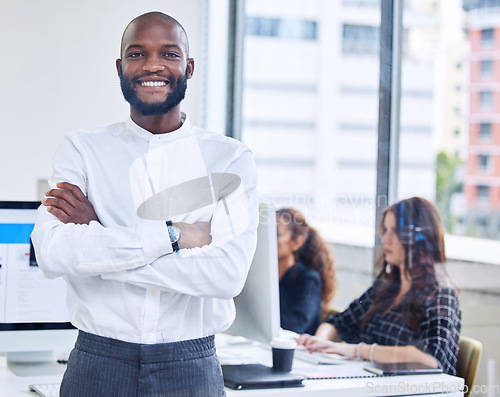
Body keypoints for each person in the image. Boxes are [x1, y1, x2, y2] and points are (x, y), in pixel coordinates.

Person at [31, 11, 258, 397]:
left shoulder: (230, 160)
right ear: (121, 67)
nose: (153, 65)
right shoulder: (82, 149)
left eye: (169, 54)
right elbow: (52, 252)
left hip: (191, 366)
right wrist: (172, 236)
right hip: (97, 363)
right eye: (138, 54)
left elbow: (226, 276)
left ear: (188, 67)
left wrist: (100, 242)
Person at [297, 197, 461, 375]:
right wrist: (319, 342)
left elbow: (431, 358)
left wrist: (358, 350)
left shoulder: (441, 295)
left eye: (395, 232)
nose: (385, 239)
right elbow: (339, 322)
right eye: (386, 231)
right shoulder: (386, 287)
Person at [276, 208, 336, 335]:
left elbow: (295, 326)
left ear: (296, 242)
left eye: (276, 234)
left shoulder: (308, 279)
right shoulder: (263, 276)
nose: (267, 239)